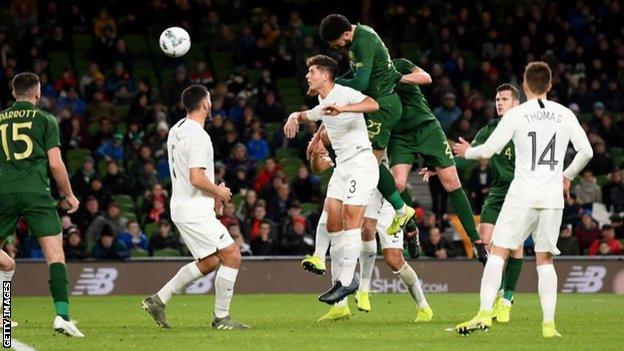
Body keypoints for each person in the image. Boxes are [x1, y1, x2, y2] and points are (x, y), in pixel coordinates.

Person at [453, 62, 593, 337]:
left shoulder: (517, 115)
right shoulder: (564, 114)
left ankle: (484, 313)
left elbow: (489, 149)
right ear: (549, 86)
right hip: (552, 197)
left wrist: (466, 152)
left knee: (498, 252)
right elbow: (586, 152)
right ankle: (549, 325)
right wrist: (568, 175)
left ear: (526, 86)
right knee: (544, 260)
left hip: (522, 194)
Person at [141, 84, 249, 330]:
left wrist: (212, 195)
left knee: (210, 261)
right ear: (206, 104)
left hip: (182, 205)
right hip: (193, 209)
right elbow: (196, 178)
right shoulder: (199, 135)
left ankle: (158, 300)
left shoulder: (176, 129)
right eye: (210, 100)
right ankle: (221, 319)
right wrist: (219, 191)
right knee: (233, 255)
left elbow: (189, 174)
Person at [284, 55, 379, 304]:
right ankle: (329, 266)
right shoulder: (321, 100)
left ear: (325, 75)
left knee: (350, 219)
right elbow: (311, 115)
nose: (307, 75)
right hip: (343, 167)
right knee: (331, 218)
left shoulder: (344, 93)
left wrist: (344, 108)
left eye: (311, 71)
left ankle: (347, 282)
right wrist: (294, 115)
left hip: (361, 162)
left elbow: (372, 104)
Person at [308, 138, 432, 323]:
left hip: (387, 199)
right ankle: (341, 306)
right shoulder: (350, 142)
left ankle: (423, 307)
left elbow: (397, 181)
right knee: (344, 232)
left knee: (393, 259)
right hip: (363, 193)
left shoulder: (380, 137)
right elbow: (319, 167)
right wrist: (317, 151)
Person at [0, 72, 84, 336]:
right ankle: (62, 316)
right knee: (55, 255)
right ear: (37, 94)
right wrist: (69, 194)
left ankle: (2, 316)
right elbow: (56, 163)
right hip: (37, 193)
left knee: (5, 260)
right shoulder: (46, 120)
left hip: (3, 193)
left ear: (14, 94)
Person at [318, 14, 416, 234]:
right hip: (372, 104)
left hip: (382, 107)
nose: (336, 47)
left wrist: (331, 85)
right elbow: (356, 74)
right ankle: (400, 210)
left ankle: (402, 210)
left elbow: (361, 83)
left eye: (336, 43)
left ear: (345, 33)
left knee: (370, 163)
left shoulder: (364, 41)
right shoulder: (356, 39)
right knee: (366, 161)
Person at [388, 57, 487, 262]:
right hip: (399, 135)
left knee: (451, 181)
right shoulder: (367, 79)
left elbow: (425, 77)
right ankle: (411, 227)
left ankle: (476, 241)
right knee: (397, 183)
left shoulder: (398, 65)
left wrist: (395, 78)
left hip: (426, 127)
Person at [470, 84, 523, 322]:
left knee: (515, 246)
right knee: (483, 243)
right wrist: (440, 166)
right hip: (498, 191)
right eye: (497, 99)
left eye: (504, 99)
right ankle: (499, 289)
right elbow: (469, 153)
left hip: (521, 191)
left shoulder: (526, 128)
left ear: (516, 103)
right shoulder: (490, 129)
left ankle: (507, 299)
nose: (499, 102)